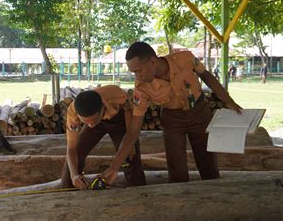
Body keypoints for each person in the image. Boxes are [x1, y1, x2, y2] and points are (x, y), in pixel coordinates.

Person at [100, 41, 242, 185]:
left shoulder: (185, 58)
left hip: (200, 113)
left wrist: (229, 101)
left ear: (152, 61)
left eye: (139, 70)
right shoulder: (141, 89)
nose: (137, 76)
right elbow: (133, 131)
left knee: (208, 163)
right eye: (134, 72)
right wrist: (114, 168)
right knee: (177, 171)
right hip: (172, 119)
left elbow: (206, 76)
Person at [60, 86, 146, 189]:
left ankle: (138, 190)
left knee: (130, 155)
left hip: (120, 119)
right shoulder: (73, 113)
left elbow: (129, 113)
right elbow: (71, 148)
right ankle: (68, 190)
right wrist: (73, 174)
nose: (91, 126)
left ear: (103, 108)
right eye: (86, 122)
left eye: (93, 122)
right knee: (77, 152)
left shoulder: (117, 95)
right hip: (94, 116)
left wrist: (115, 165)